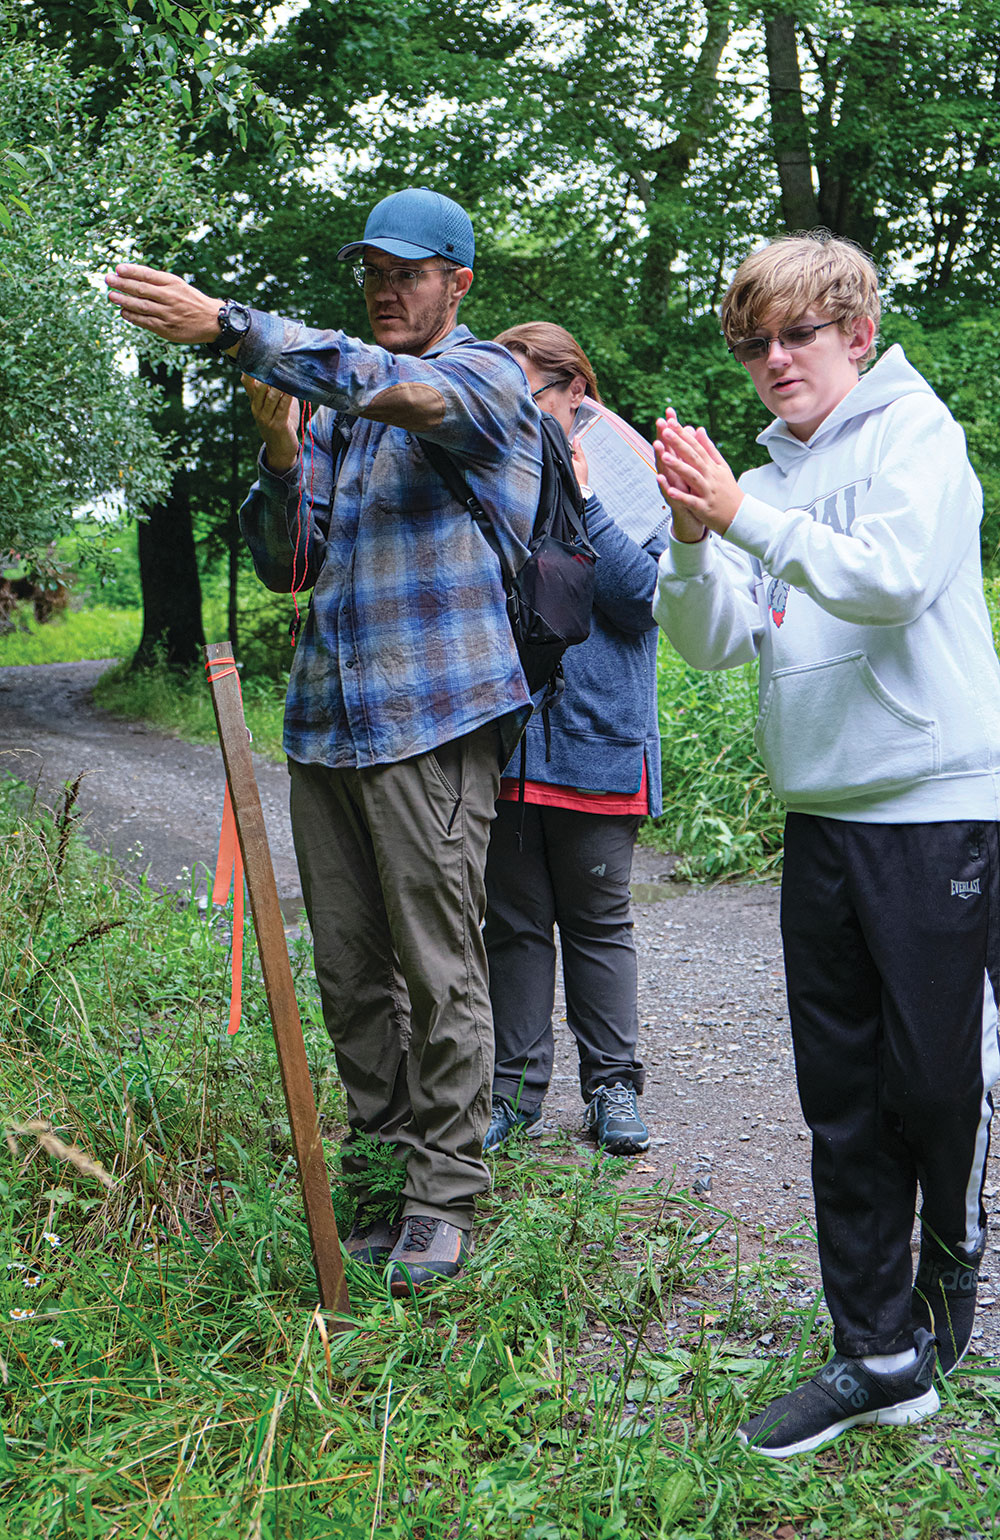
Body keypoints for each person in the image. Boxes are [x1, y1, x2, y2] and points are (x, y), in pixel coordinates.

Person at [105, 188, 542, 1294]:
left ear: (458, 283)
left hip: (434, 724)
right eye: (372, 274)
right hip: (330, 729)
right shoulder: (339, 408)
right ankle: (383, 1165)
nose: (388, 289)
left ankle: (444, 1195)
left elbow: (377, 382)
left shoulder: (485, 381)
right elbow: (287, 565)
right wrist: (279, 456)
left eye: (409, 272)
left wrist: (231, 325)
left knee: (440, 969)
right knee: (351, 970)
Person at [651, 230, 1000, 1457]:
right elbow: (708, 642)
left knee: (934, 1086)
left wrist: (745, 513)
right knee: (841, 1102)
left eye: (797, 334)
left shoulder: (918, 434)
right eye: (754, 343)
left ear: (856, 332)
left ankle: (949, 1261)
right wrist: (697, 536)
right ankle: (878, 1355)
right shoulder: (766, 479)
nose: (774, 360)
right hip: (822, 818)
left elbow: (893, 580)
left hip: (934, 806)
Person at [482, 323, 662, 1159]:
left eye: (531, 396)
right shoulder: (496, 470)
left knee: (596, 921)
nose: (516, 412)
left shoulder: (632, 477)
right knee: (514, 924)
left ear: (574, 393)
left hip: (597, 739)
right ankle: (513, 1096)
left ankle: (613, 1089)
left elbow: (637, 599)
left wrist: (583, 501)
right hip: (510, 741)